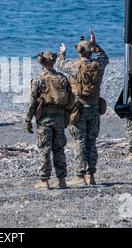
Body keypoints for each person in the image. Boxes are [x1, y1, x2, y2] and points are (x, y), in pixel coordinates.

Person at [56, 30, 109, 186]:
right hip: (94, 107)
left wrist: (61, 53)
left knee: (79, 141)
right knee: (91, 141)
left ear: (79, 52)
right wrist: (95, 45)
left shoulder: (74, 66)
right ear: (90, 51)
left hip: (78, 108)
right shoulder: (98, 65)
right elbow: (105, 57)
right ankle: (91, 175)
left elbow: (60, 64)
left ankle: (80, 176)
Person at [25, 51, 74, 190]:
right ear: (53, 63)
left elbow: (32, 103)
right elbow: (70, 99)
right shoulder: (63, 79)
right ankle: (62, 180)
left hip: (45, 119)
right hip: (59, 119)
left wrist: (28, 119)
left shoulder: (38, 80)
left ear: (42, 64)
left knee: (44, 150)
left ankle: (44, 180)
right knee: (59, 149)